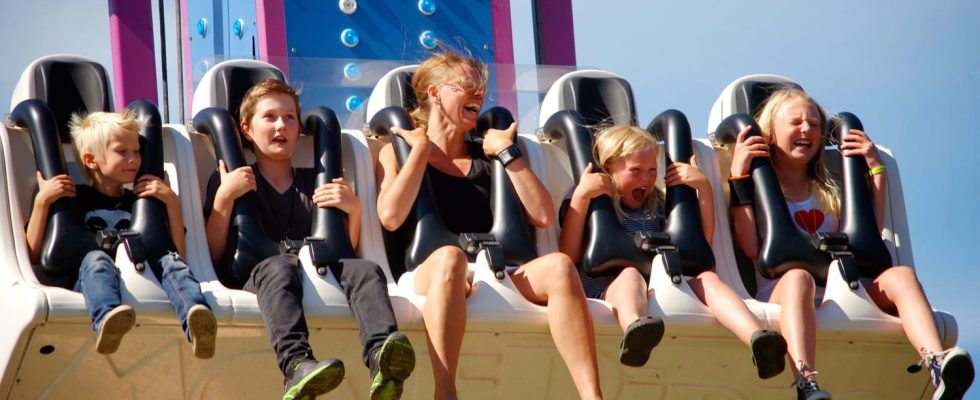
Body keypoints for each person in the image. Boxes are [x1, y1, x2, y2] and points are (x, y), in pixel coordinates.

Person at [375, 50, 603, 400]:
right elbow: (390, 217)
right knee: (450, 257)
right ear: (435, 93)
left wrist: (508, 153)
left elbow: (541, 215)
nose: (479, 94)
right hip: (431, 271)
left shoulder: (489, 154)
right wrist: (420, 153)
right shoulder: (400, 152)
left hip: (496, 268)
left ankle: (592, 395)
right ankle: (445, 391)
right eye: (468, 85)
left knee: (559, 266)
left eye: (483, 86)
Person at [730, 88, 975, 400]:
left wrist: (874, 166)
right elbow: (751, 247)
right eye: (795, 122)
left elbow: (867, 232)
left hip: (844, 289)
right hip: (787, 291)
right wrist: (737, 176)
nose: (806, 129)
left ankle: (938, 362)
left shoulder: (829, 190)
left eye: (814, 124)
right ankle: (806, 382)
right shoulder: (761, 189)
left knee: (901, 276)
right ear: (771, 134)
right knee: (798, 278)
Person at [203, 80, 415, 400]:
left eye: (290, 118)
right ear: (246, 129)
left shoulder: (312, 183)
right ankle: (296, 365)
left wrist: (354, 211)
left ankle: (382, 360)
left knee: (368, 271)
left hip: (317, 270)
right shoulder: (234, 181)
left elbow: (346, 251)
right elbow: (213, 254)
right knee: (278, 268)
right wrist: (223, 198)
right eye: (270, 117)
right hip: (264, 277)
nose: (281, 126)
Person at [558, 124, 787, 377]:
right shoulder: (592, 198)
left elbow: (700, 247)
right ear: (609, 167)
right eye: (635, 170)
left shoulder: (655, 202)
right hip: (608, 287)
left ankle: (757, 337)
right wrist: (580, 197)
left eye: (651, 171)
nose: (645, 180)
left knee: (708, 279)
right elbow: (568, 255)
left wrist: (704, 188)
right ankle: (636, 328)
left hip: (662, 284)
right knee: (630, 276)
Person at [25, 110, 218, 358]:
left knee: (172, 263)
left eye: (137, 151)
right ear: (91, 160)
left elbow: (177, 252)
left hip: (141, 273)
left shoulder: (139, 203)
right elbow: (32, 251)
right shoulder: (77, 199)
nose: (133, 159)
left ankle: (197, 319)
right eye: (122, 152)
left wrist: (171, 201)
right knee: (96, 259)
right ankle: (107, 319)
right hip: (93, 279)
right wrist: (42, 202)